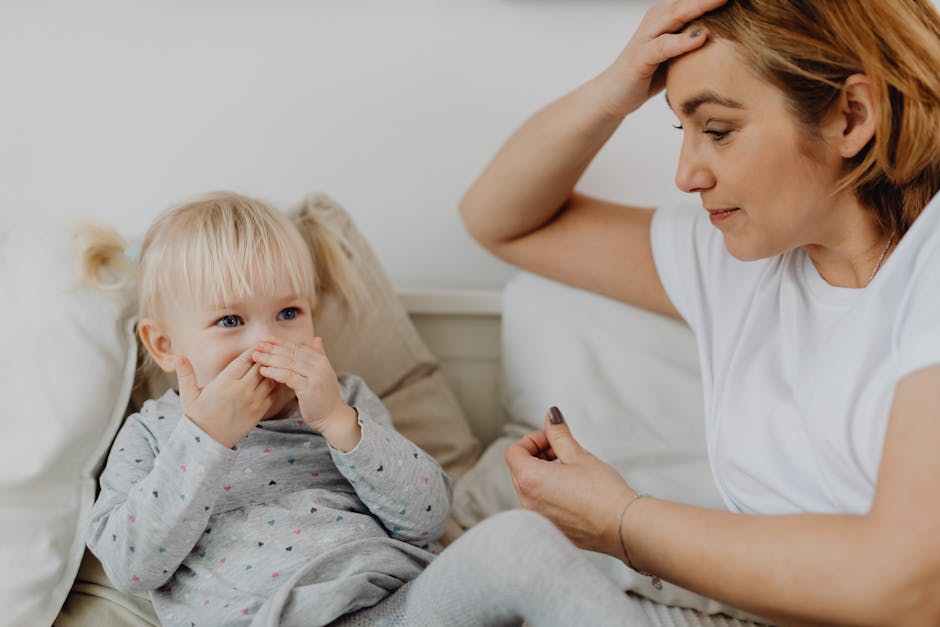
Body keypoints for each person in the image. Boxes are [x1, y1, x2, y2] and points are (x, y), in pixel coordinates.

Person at [460, 0, 940, 624]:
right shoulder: (741, 259)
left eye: (717, 130)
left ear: (852, 116)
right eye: (680, 130)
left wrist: (621, 522)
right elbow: (499, 220)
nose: (686, 175)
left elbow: (907, 586)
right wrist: (615, 88)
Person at [83, 192, 663, 627]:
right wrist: (206, 439)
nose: (268, 342)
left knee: (518, 539)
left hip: (397, 607)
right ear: (165, 345)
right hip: (265, 617)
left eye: (288, 313)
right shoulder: (154, 435)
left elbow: (428, 518)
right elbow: (132, 566)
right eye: (230, 321)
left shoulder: (345, 401)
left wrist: (340, 423)